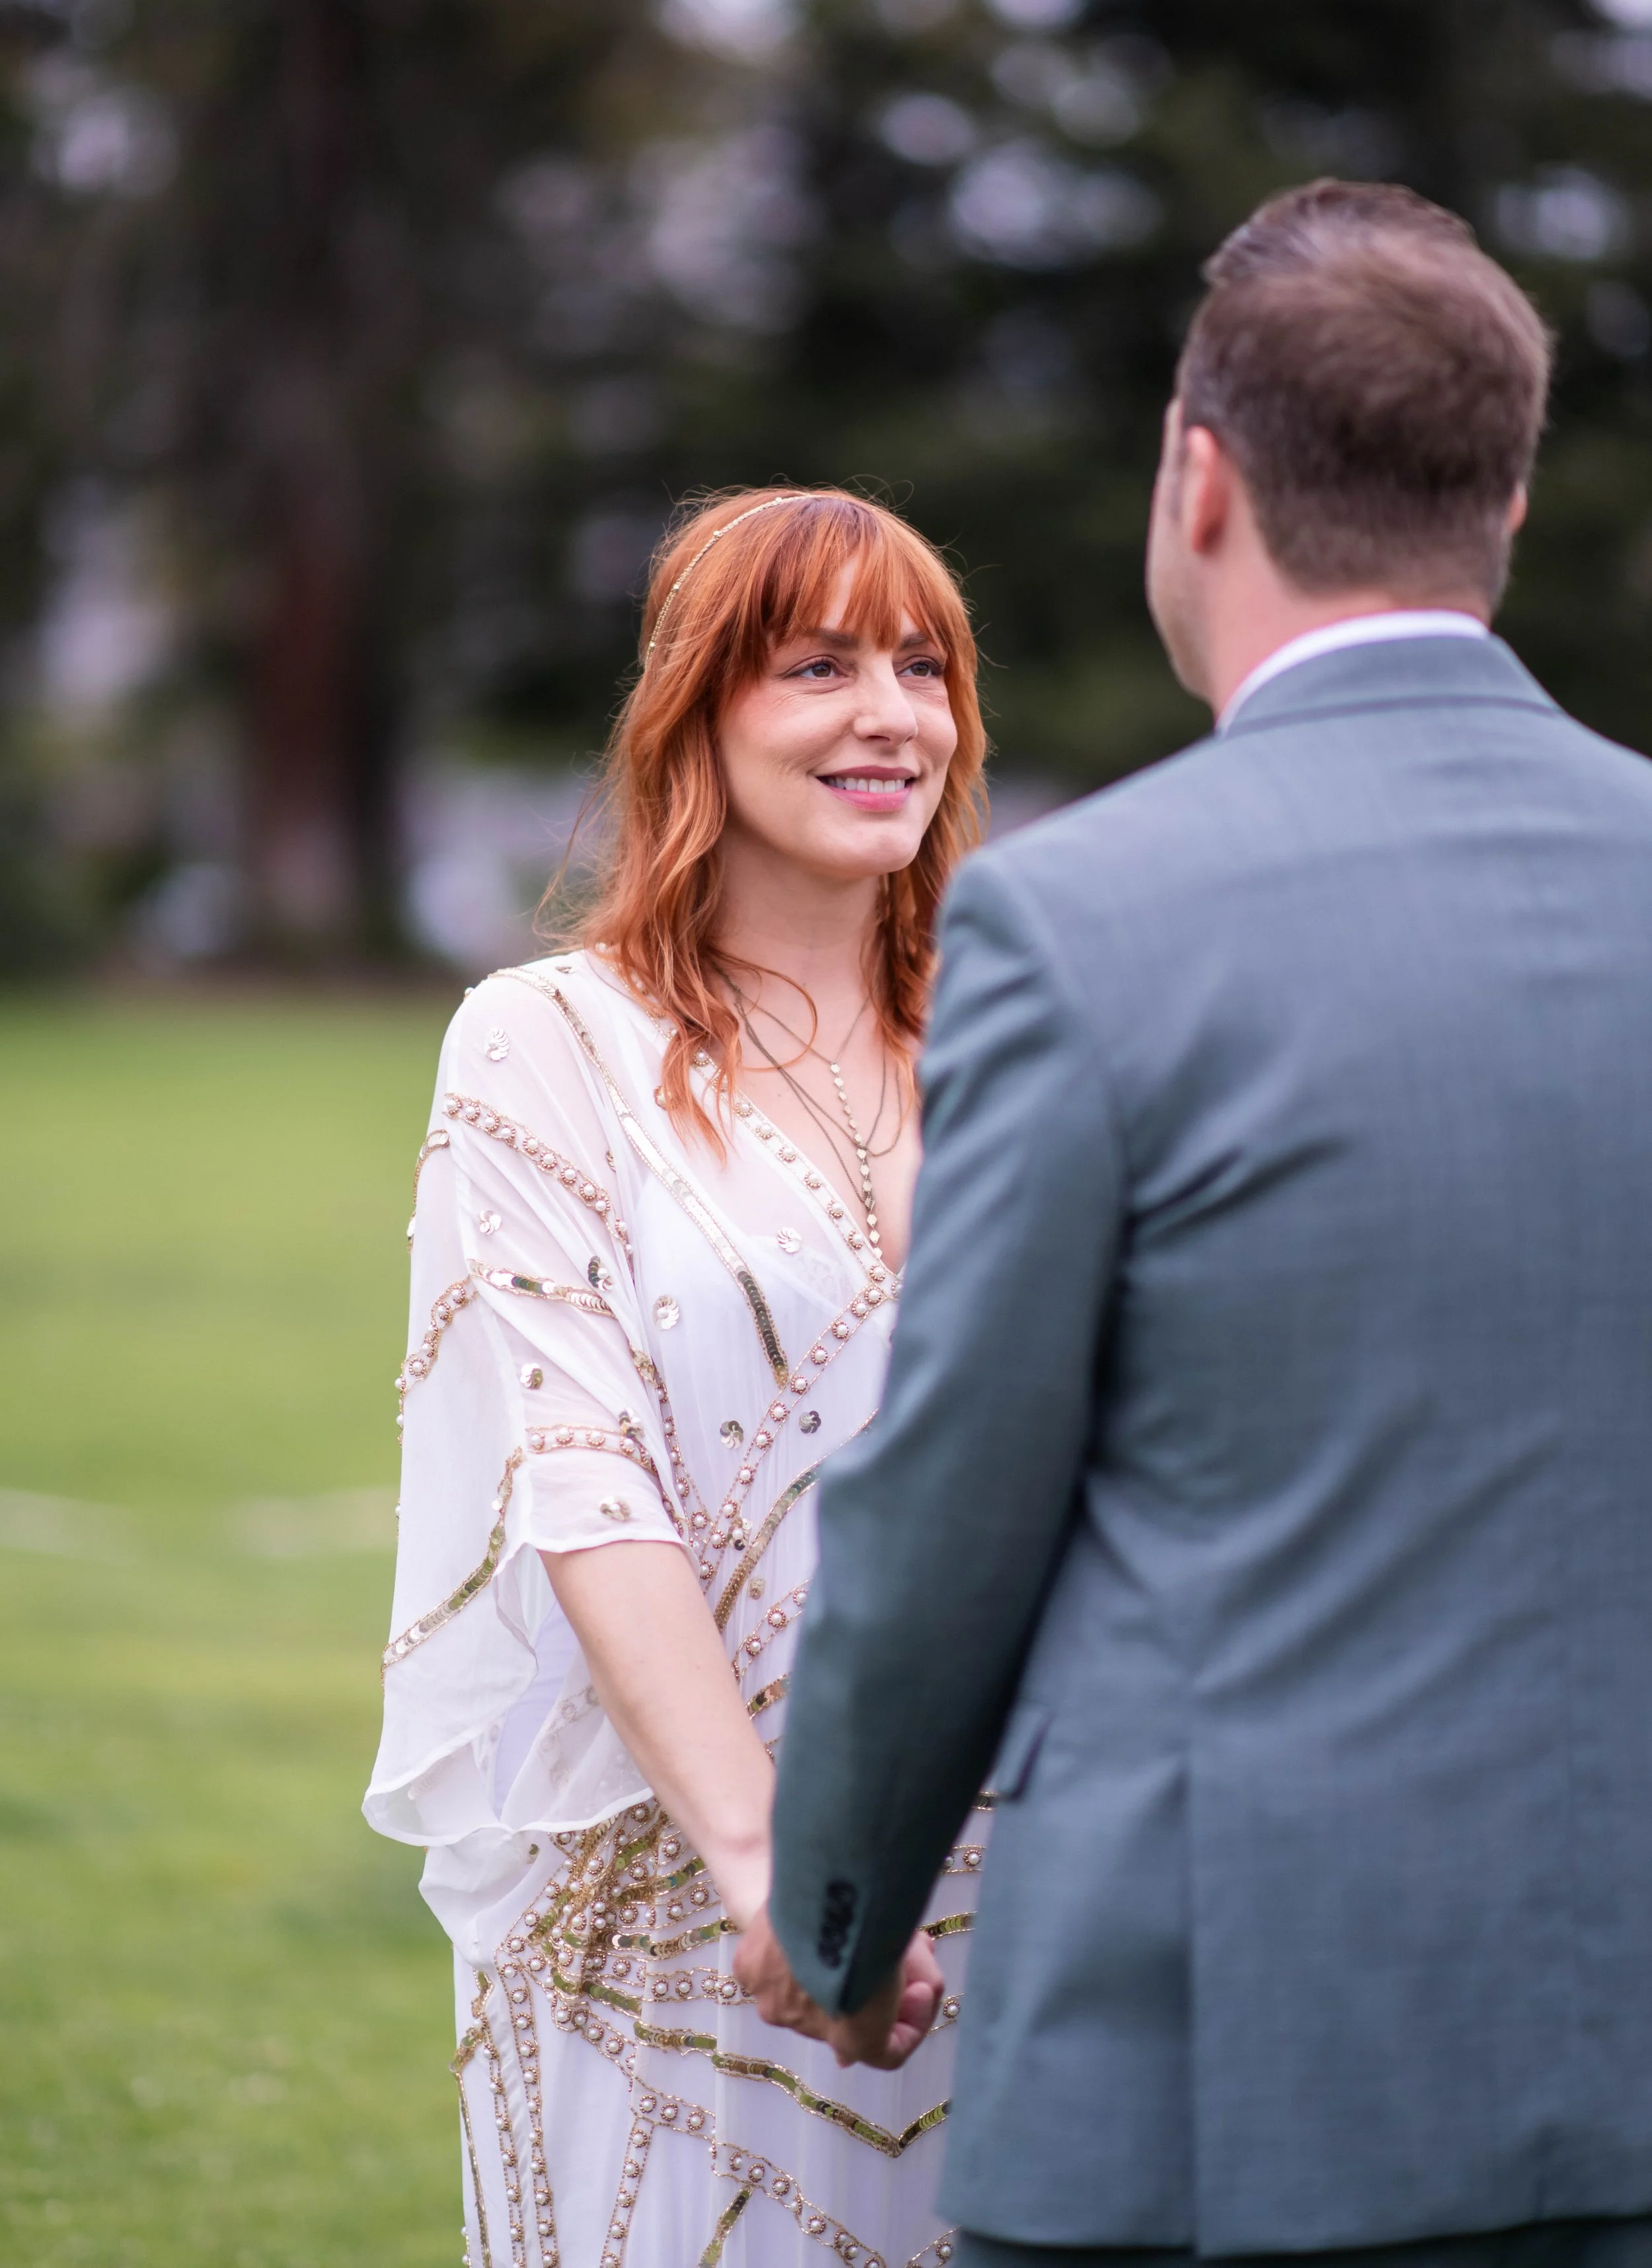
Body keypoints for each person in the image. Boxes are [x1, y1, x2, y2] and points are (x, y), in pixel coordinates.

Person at [738, 180, 1652, 2268]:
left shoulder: (1086, 917)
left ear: (1198, 474)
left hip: (1217, 2080)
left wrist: (842, 1906)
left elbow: (952, 1492)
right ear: (1502, 504)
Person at [365, 488, 989, 2268]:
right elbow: (582, 1471)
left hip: (1004, 1879)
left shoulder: (1018, 1032)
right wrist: (768, 1862)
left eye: (922, 663)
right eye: (818, 665)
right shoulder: (547, 1044)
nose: (892, 712)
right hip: (683, 1898)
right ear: (694, 710)